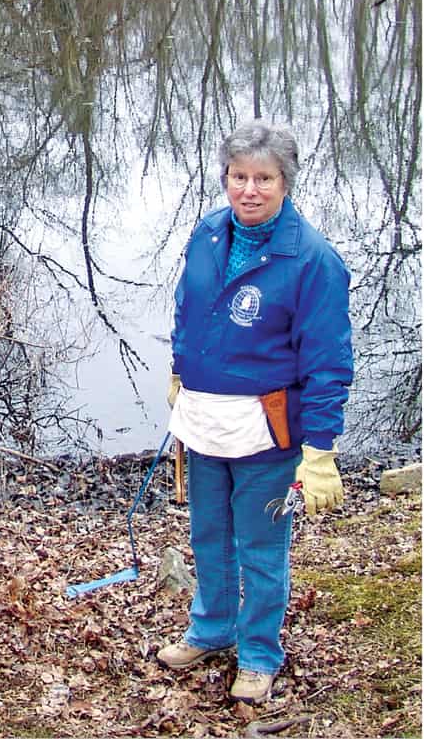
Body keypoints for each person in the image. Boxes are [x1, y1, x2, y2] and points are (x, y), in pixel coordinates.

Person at [159, 120, 353, 705]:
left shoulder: (313, 260)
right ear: (225, 178)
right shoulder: (208, 233)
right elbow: (188, 310)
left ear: (284, 182)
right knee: (209, 533)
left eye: (263, 178)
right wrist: (180, 368)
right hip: (204, 416)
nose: (249, 189)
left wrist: (320, 451)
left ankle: (260, 652)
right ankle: (212, 628)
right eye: (239, 176)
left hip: (267, 428)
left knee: (261, 543)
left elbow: (328, 362)